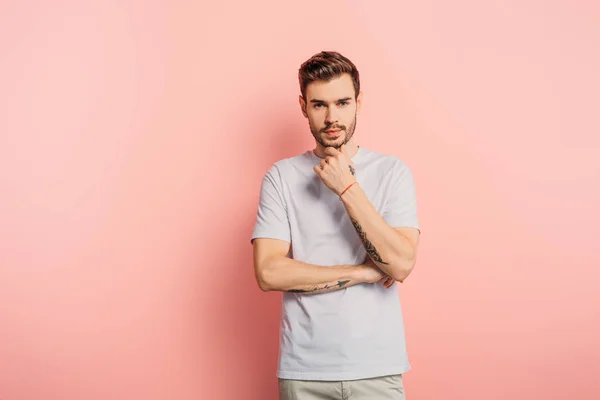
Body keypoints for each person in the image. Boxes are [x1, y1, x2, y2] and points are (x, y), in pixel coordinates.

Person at [251, 50, 421, 400]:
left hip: (377, 367)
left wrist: (347, 187)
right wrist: (362, 272)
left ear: (359, 102)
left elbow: (401, 263)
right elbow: (269, 273)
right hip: (305, 370)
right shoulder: (281, 177)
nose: (332, 117)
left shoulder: (392, 172)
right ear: (303, 106)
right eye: (319, 105)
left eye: (342, 103)